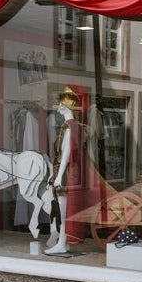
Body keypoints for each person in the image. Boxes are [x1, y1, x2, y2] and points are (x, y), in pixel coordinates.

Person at [45, 88, 82, 254]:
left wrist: (59, 176)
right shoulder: (75, 126)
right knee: (63, 208)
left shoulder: (68, 126)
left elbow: (67, 152)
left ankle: (61, 243)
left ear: (67, 106)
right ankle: (64, 243)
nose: (58, 106)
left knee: (63, 209)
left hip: (65, 171)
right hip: (67, 170)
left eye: (61, 103)